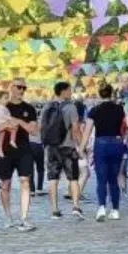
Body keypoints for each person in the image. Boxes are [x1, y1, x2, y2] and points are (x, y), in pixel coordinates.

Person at [0, 78, 40, 231]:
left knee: (25, 181)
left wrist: (20, 121)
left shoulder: (29, 108)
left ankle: (24, 217)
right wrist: (4, 124)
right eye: (19, 87)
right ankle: (8, 216)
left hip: (23, 148)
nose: (21, 90)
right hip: (5, 149)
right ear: (11, 88)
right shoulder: (2, 107)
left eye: (24, 88)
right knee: (5, 184)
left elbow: (34, 131)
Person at [86, 84, 128, 222]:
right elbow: (127, 125)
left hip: (101, 143)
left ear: (99, 94)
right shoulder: (120, 108)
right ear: (111, 94)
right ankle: (115, 210)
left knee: (101, 179)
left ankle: (101, 208)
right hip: (117, 143)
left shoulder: (94, 110)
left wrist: (82, 147)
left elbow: (87, 130)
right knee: (114, 178)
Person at [42, 82, 83, 220]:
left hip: (52, 147)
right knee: (73, 177)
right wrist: (82, 145)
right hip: (67, 147)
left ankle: (55, 210)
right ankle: (76, 206)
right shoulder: (71, 107)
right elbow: (76, 128)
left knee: (53, 178)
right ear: (63, 92)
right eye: (69, 90)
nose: (71, 92)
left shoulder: (47, 107)